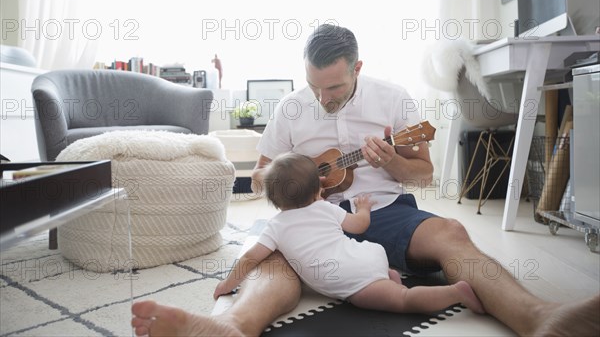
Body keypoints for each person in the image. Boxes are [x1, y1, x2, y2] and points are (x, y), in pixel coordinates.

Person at [132, 24, 599, 337]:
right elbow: (258, 177)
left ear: (358, 68)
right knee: (269, 260)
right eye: (315, 85)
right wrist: (297, 174)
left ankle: (541, 318)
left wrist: (394, 163)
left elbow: (425, 173)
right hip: (308, 216)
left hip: (383, 211)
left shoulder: (394, 100)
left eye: (333, 87)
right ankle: (231, 327)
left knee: (452, 232)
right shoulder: (292, 106)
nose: (322, 97)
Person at [213, 152, 485, 316]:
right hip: (368, 255)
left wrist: (227, 285)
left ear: (273, 200)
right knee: (385, 279)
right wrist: (363, 208)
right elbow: (359, 227)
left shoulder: (275, 226)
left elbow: (249, 259)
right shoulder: (325, 208)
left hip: (354, 280)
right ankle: (388, 276)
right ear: (318, 190)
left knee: (404, 302)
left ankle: (457, 292)